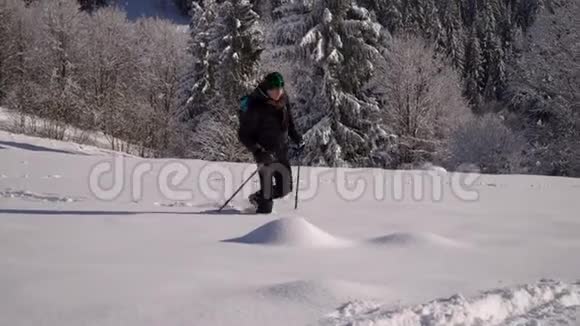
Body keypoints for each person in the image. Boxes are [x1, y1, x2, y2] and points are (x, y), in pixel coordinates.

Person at [238, 72, 304, 214]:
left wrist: (297, 138)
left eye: (280, 88)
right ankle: (257, 229)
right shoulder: (256, 106)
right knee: (266, 207)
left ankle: (257, 197)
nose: (278, 92)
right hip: (264, 155)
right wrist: (258, 151)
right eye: (274, 89)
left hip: (281, 151)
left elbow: (289, 124)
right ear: (266, 89)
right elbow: (243, 134)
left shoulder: (284, 100)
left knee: (285, 189)